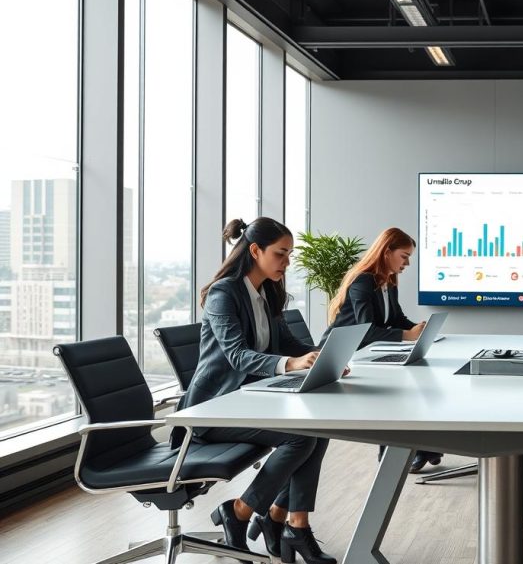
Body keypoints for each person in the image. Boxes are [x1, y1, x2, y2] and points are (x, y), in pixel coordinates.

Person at [182, 217, 336, 564]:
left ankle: (288, 520)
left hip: (250, 400)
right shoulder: (225, 293)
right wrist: (291, 364)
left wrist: (320, 357)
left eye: (289, 255)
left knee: (320, 428)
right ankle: (239, 511)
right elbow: (237, 355)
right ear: (255, 250)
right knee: (301, 437)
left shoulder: (265, 290)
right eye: (281, 254)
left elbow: (286, 341)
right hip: (214, 409)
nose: (287, 262)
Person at [320, 227, 442, 473]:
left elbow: (395, 318)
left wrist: (418, 328)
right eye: (404, 256)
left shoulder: (388, 282)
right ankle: (405, 453)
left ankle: (420, 447)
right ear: (387, 252)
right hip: (346, 355)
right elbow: (367, 330)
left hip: (371, 353)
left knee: (417, 379)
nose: (407, 263)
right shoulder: (363, 281)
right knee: (400, 389)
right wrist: (407, 336)